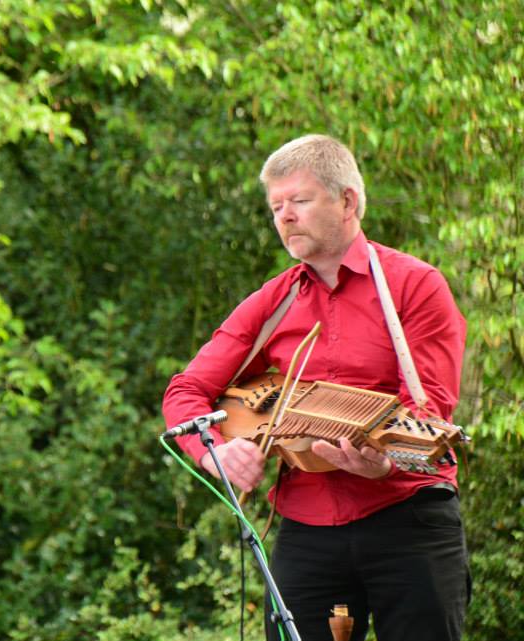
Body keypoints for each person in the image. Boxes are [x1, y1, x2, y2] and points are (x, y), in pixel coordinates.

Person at [162, 135, 469, 641]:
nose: (285, 217)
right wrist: (214, 453)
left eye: (299, 201)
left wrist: (386, 460)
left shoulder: (414, 285)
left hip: (408, 518)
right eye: (276, 206)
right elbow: (187, 390)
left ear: (347, 201)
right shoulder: (274, 300)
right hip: (306, 530)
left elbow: (428, 408)